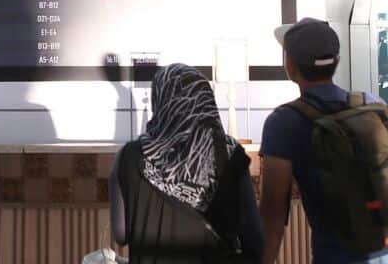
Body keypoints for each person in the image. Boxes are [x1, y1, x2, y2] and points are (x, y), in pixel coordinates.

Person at [259, 17, 388, 264]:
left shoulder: (283, 122)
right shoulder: (374, 104)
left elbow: (273, 215)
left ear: (290, 65)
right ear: (336, 62)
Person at [109, 62, 263, 263]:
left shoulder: (130, 156)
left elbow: (121, 234)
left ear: (160, 101)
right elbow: (254, 239)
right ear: (205, 101)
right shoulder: (228, 153)